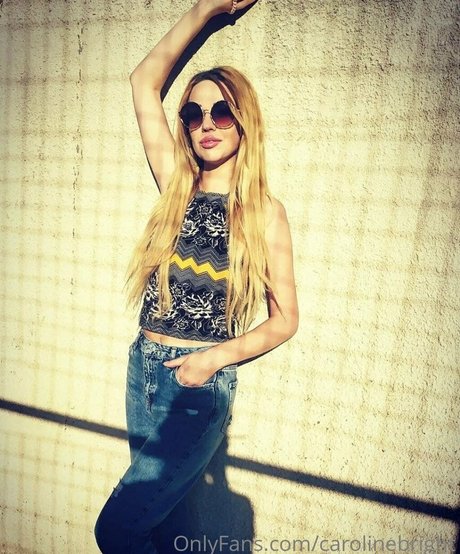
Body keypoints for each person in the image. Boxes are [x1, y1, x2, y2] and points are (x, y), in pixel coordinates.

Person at [94, 0, 298, 552]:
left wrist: (212, 359)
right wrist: (206, 9)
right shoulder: (177, 187)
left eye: (222, 112)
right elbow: (143, 83)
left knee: (116, 529)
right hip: (143, 367)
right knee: (162, 528)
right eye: (193, 113)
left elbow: (285, 320)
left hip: (196, 384)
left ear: (244, 121)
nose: (206, 124)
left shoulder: (264, 212)